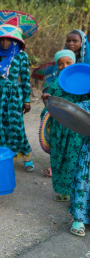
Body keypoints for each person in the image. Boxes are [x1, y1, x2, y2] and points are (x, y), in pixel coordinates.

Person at [0, 26, 33, 171]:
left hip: (13, 94)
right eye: (1, 39)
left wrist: (26, 100)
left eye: (8, 39)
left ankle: (25, 154)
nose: (4, 42)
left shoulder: (21, 56)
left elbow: (26, 79)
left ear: (15, 40)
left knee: (16, 126)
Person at [41, 50, 86, 202]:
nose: (64, 66)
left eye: (68, 63)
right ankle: (63, 191)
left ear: (75, 63)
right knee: (58, 157)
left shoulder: (83, 81)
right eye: (60, 63)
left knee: (73, 158)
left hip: (76, 128)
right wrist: (47, 99)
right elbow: (51, 106)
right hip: (59, 127)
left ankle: (75, 192)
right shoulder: (55, 83)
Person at [69, 97, 90, 237]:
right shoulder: (86, 104)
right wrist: (50, 102)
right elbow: (70, 109)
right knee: (83, 181)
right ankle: (79, 218)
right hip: (88, 150)